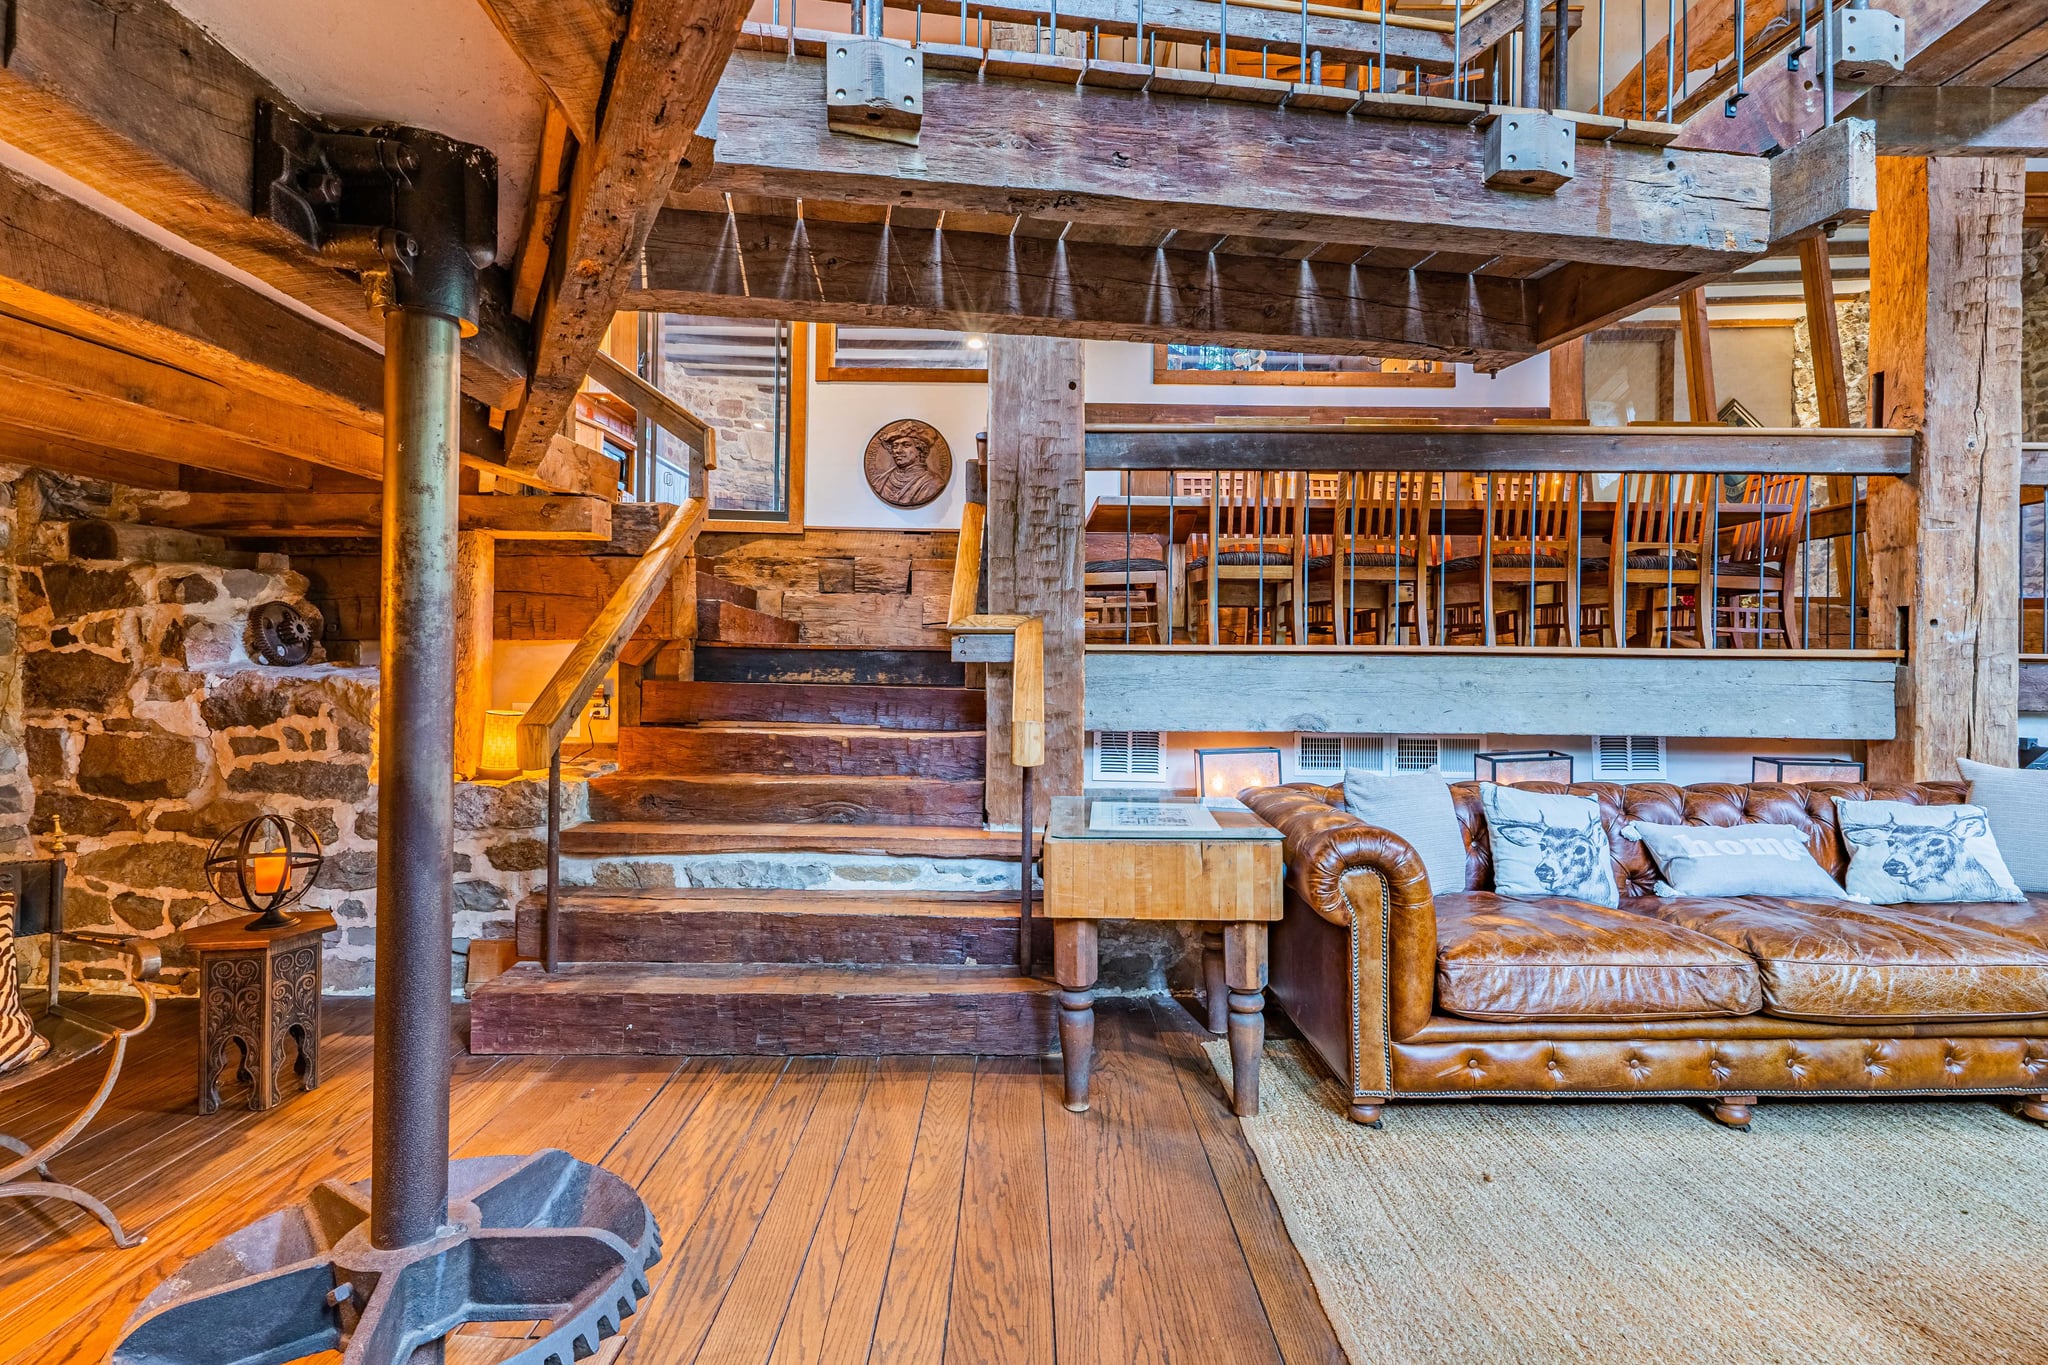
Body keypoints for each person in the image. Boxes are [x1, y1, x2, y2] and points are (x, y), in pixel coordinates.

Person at [872, 426, 945, 506]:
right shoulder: (880, 480)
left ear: (920, 450)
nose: (898, 451)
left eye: (906, 445)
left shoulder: (933, 483)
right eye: (895, 446)